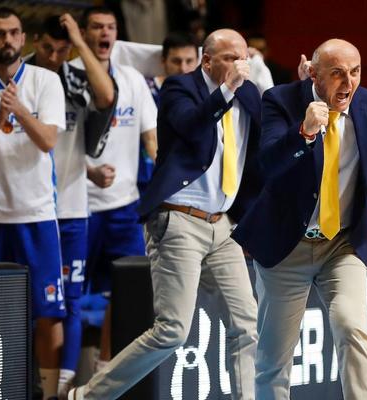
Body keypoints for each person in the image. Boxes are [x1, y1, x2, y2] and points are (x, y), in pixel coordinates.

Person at [69, 28, 261, 400]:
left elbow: (269, 137)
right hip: (179, 218)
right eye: (230, 58)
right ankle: (89, 396)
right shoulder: (179, 88)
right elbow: (191, 126)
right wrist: (226, 91)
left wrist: (305, 94)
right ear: (207, 61)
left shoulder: (249, 93)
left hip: (223, 224)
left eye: (243, 58)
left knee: (247, 325)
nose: (240, 65)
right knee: (172, 330)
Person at [232, 38, 367, 400]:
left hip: (343, 243)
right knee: (273, 358)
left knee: (353, 326)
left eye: (355, 72)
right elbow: (268, 166)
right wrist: (304, 133)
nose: (348, 83)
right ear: (313, 74)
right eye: (337, 73)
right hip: (286, 244)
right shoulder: (281, 100)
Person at [0, 8, 66, 400]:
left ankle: (50, 394)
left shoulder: (45, 81)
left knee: (48, 312)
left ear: (24, 38)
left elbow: (48, 141)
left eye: (14, 33)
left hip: (36, 214)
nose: (8, 40)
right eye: (0, 33)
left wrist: (19, 110)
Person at [27, 13, 116, 397]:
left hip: (72, 209)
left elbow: (107, 97)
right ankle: (27, 382)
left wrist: (79, 43)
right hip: (27, 211)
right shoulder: (21, 78)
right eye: (47, 48)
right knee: (33, 304)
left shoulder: (76, 79)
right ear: (34, 41)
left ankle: (60, 390)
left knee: (70, 303)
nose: (53, 57)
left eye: (61, 50)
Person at [70, 6, 158, 370]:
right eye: (96, 27)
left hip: (124, 207)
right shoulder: (65, 78)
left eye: (110, 27)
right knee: (69, 297)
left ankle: (105, 369)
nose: (104, 33)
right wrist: (88, 171)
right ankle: (61, 377)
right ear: (83, 33)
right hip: (76, 206)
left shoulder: (133, 79)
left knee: (127, 291)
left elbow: (151, 140)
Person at [138, 32, 198, 196]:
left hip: (189, 184)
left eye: (189, 61)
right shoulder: (142, 88)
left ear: (198, 61)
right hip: (145, 180)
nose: (183, 68)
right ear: (163, 61)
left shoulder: (206, 95)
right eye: (176, 61)